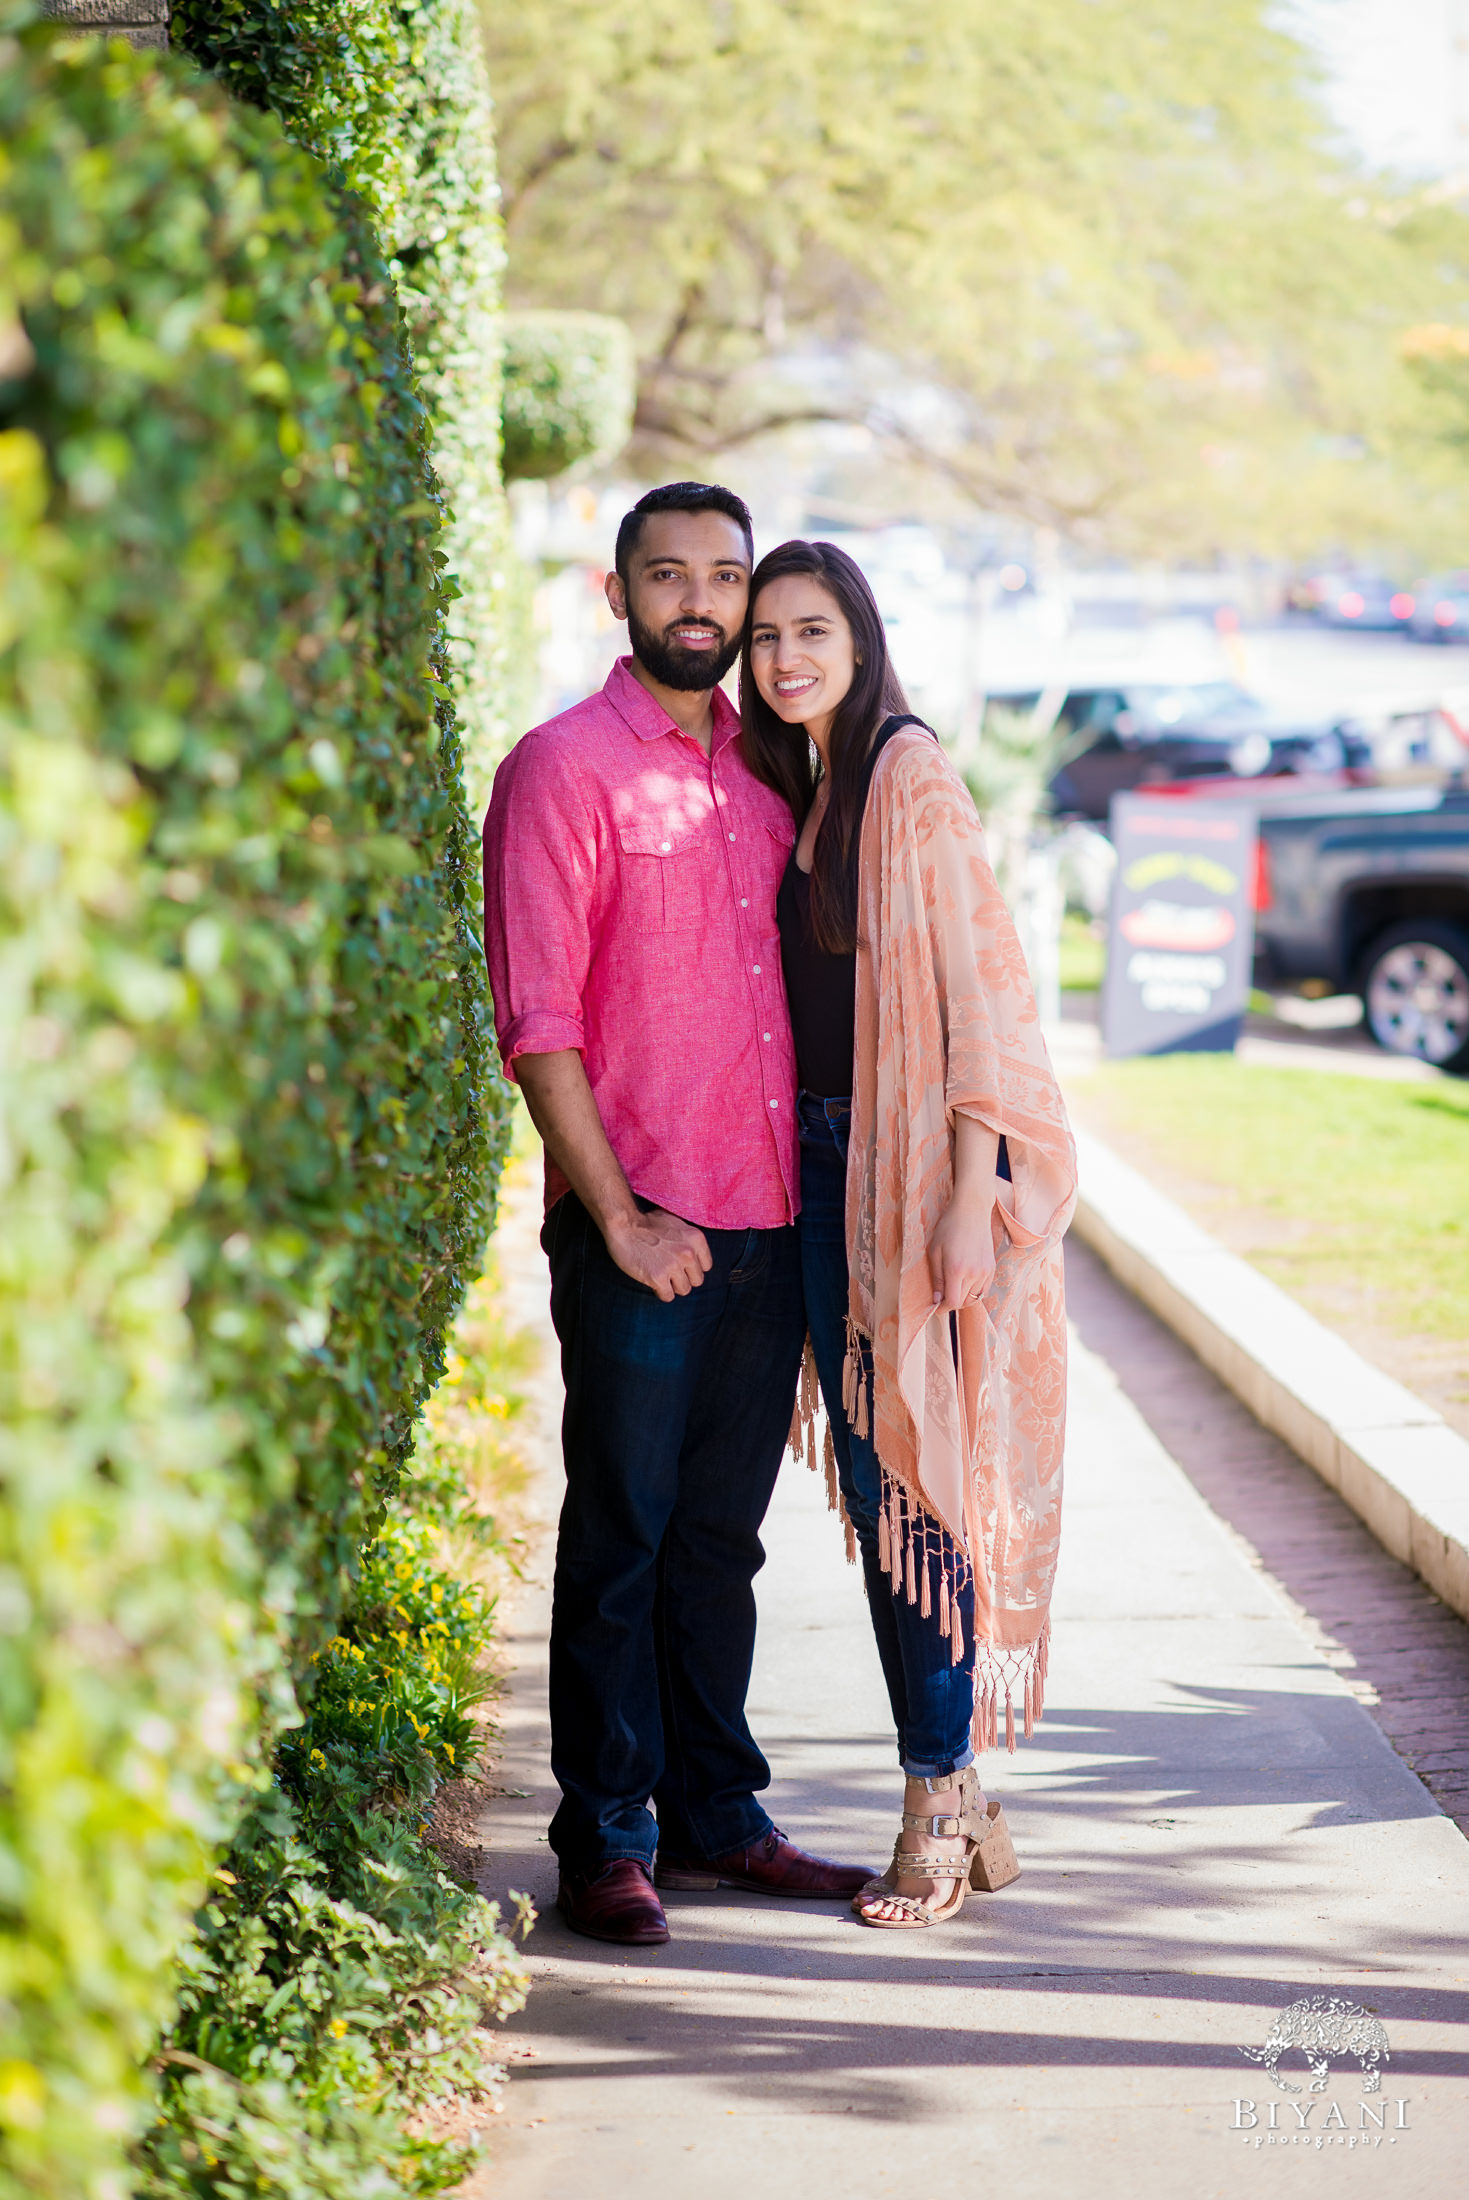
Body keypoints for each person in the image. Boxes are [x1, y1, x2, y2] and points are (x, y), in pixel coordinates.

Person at [482, 485, 873, 1948]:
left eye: (726, 576)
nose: (701, 604)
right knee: (624, 1536)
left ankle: (719, 1816)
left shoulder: (774, 774)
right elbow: (537, 1026)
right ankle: (608, 1835)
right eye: (671, 577)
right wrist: (622, 1217)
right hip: (641, 1232)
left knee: (720, 1542)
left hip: (767, 1231)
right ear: (617, 592)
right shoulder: (561, 769)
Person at [743, 539, 1077, 1930]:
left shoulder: (906, 774)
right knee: (890, 1506)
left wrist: (961, 1199)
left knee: (916, 1507)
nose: (782, 659)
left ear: (861, 636)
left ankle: (937, 1802)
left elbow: (982, 1007)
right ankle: (961, 1801)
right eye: (764, 638)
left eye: (808, 630)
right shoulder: (812, 784)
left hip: (902, 1182)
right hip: (821, 1173)